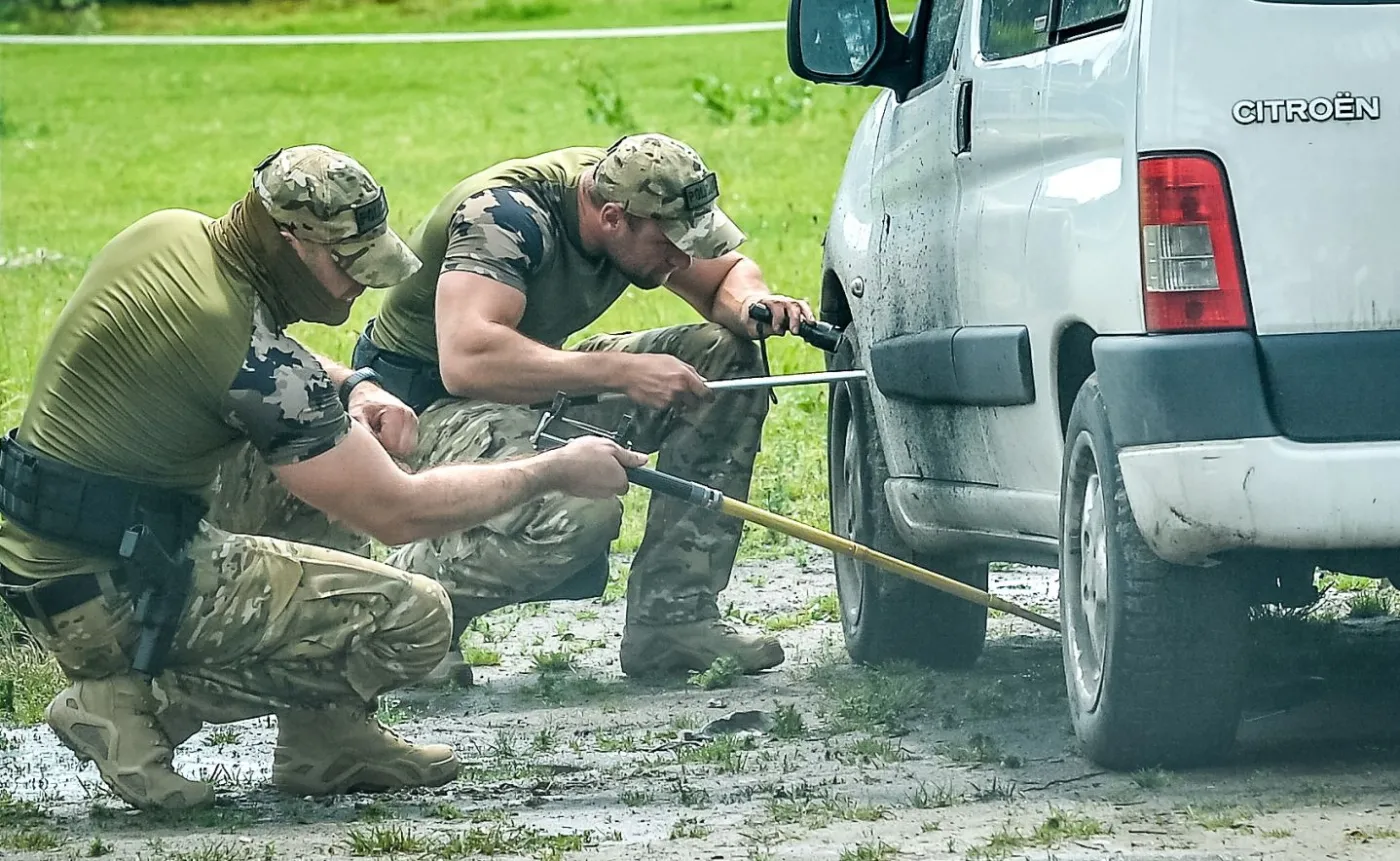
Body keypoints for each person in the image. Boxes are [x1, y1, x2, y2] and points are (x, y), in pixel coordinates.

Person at [0, 144, 643, 812]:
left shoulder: (173, 236)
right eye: (346, 264)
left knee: (338, 443)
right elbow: (398, 512)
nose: (360, 284)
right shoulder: (250, 358)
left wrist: (353, 384)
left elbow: (249, 350)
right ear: (286, 241)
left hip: (72, 548)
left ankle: (327, 737)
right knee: (416, 618)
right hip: (112, 595)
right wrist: (555, 470)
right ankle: (136, 704)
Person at [352, 133, 816, 680]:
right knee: (579, 511)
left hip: (531, 386)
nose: (682, 258)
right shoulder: (503, 217)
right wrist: (621, 372)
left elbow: (724, 276)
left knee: (721, 355)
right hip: (424, 407)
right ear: (614, 219)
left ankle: (672, 621)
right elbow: (469, 360)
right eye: (670, 245)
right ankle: (405, 613)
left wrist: (751, 304)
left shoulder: (641, 195)